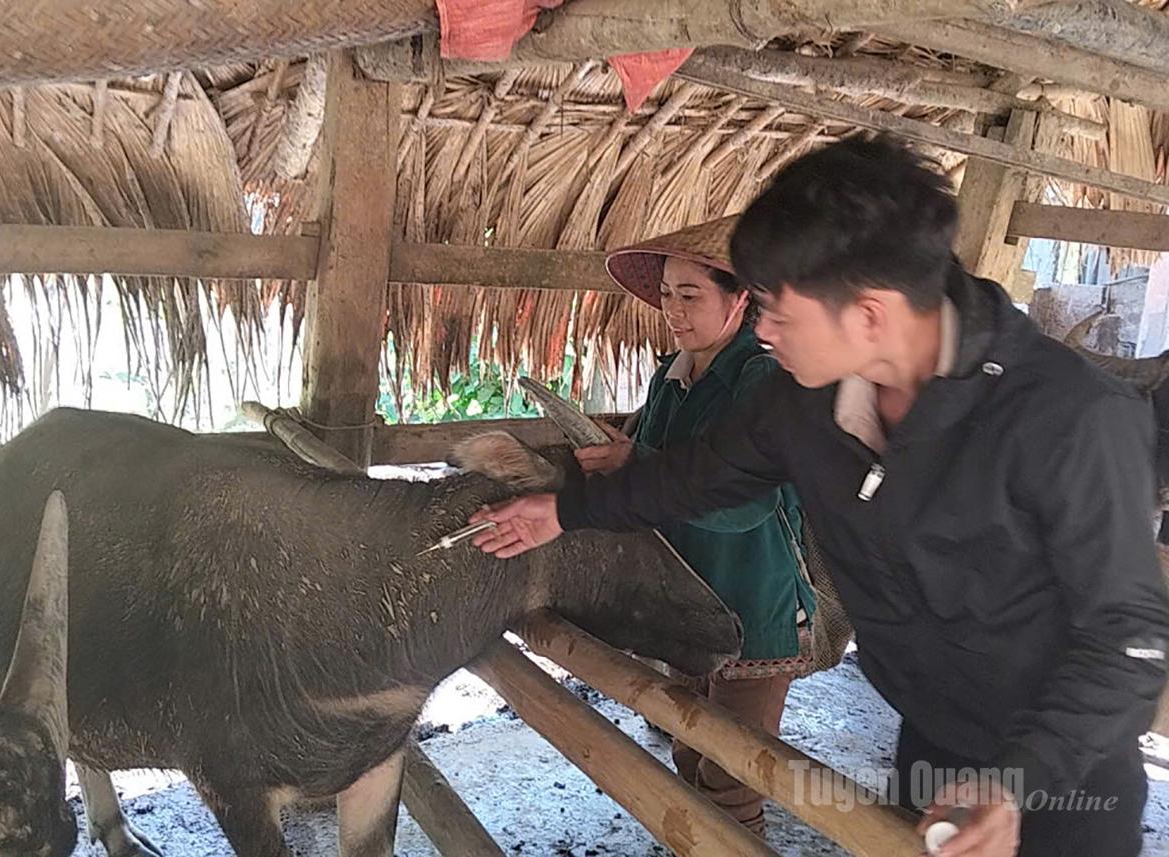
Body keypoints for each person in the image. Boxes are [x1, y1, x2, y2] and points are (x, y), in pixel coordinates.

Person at [472, 134, 1169, 857]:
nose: (763, 331)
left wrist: (1018, 783)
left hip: (1065, 778)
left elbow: (1130, 640)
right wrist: (564, 510)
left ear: (869, 315)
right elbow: (693, 476)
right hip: (932, 741)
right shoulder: (805, 403)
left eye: (778, 311)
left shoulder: (1072, 418)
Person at [578, 222, 817, 835]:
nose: (672, 311)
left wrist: (636, 465)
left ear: (740, 299)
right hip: (685, 600)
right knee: (687, 747)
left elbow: (745, 503)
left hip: (752, 606)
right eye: (666, 293)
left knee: (732, 777)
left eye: (691, 295)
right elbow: (654, 474)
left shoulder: (759, 380)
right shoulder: (671, 375)